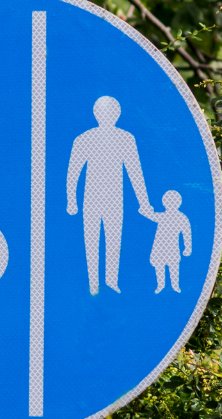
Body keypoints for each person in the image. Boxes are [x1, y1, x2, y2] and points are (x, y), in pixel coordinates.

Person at [67, 96, 152, 294]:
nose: (107, 116)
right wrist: (71, 200)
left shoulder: (126, 138)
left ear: (118, 114)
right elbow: (73, 172)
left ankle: (112, 282)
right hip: (91, 199)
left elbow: (135, 172)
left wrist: (144, 202)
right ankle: (93, 283)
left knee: (114, 240)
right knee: (91, 241)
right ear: (96, 114)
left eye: (111, 112)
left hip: (115, 199)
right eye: (102, 112)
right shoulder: (84, 139)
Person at [147, 190, 191, 293]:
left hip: (172, 247)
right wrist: (145, 211)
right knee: (159, 265)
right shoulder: (162, 215)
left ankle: (175, 286)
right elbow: (151, 216)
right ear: (164, 202)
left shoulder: (181, 218)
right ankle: (160, 285)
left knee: (174, 265)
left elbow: (186, 233)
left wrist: (187, 247)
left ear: (178, 203)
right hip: (160, 246)